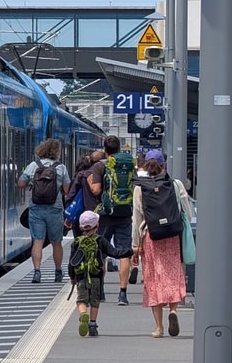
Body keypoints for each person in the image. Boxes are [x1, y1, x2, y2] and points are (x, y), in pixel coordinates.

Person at [131, 149, 192, 338]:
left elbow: (136, 218)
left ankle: (158, 328)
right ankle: (173, 310)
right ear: (164, 165)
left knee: (153, 279)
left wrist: (135, 244)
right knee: (172, 273)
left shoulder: (140, 187)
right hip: (172, 236)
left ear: (145, 166)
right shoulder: (175, 184)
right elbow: (187, 212)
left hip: (151, 236)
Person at [68, 210, 133, 337]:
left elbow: (72, 263)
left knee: (81, 300)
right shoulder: (100, 240)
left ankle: (82, 315)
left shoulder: (76, 242)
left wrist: (72, 277)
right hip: (96, 277)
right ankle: (92, 324)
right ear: (97, 226)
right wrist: (131, 251)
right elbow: (115, 253)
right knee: (94, 301)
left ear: (80, 227)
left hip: (81, 277)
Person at [17, 138, 70, 284]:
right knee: (56, 242)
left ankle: (37, 272)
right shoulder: (61, 168)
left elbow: (20, 183)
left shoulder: (33, 165)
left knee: (38, 241)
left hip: (36, 208)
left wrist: (32, 184)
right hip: (55, 208)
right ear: (57, 152)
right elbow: (67, 190)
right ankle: (58, 271)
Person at [88, 135, 133, 306]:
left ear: (105, 150)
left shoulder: (100, 166)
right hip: (125, 215)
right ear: (119, 148)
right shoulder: (128, 165)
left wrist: (91, 183)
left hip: (106, 215)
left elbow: (97, 190)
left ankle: (100, 292)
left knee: (101, 253)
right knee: (124, 253)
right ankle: (123, 294)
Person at [64, 150, 105, 238]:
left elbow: (71, 195)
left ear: (90, 161)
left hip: (82, 216)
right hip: (102, 215)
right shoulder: (107, 175)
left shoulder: (82, 175)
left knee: (80, 242)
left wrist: (69, 215)